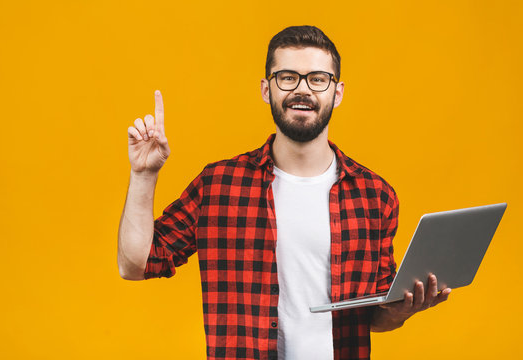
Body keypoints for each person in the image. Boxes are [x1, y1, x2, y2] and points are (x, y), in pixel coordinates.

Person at [117, 25, 451, 360]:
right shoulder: (219, 185)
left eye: (317, 79)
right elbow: (135, 264)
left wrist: (403, 308)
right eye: (287, 77)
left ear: (337, 92)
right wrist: (144, 174)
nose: (302, 90)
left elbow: (375, 316)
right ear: (267, 89)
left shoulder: (375, 197)